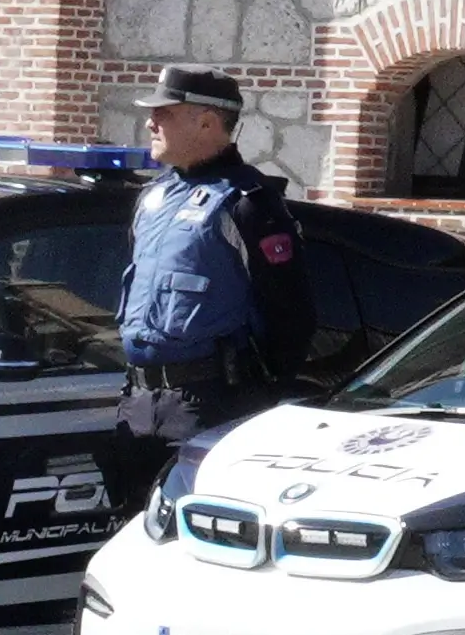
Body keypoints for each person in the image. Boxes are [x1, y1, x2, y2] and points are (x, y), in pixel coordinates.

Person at [111, 66, 314, 502]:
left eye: (164, 112)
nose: (151, 122)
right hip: (141, 403)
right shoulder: (152, 198)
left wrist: (256, 399)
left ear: (205, 121)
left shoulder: (246, 204)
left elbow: (291, 314)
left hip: (209, 405)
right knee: (133, 539)